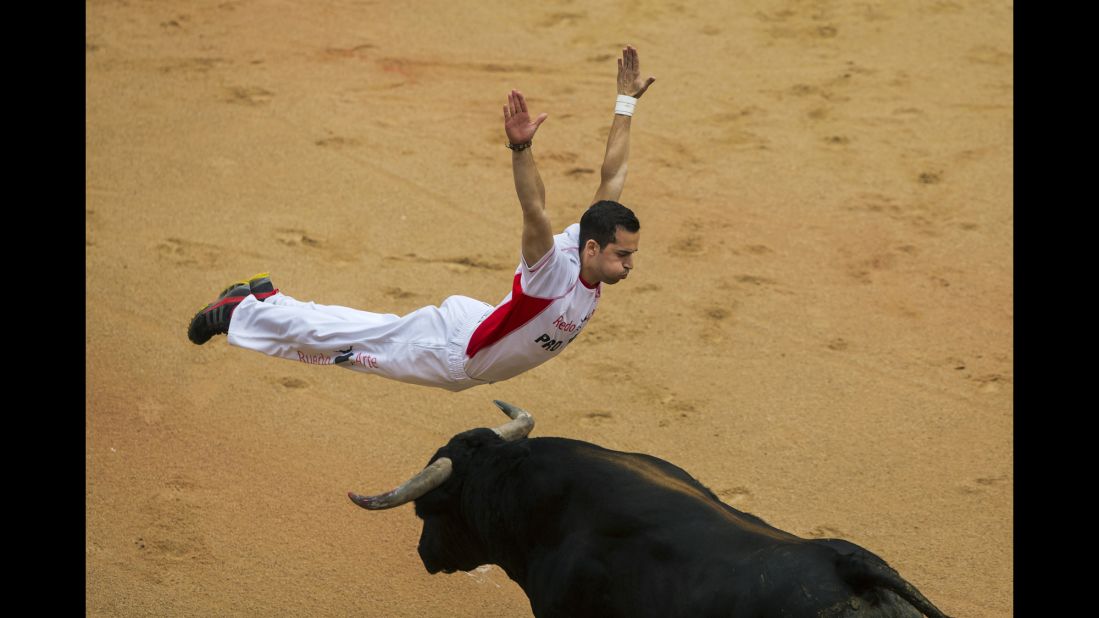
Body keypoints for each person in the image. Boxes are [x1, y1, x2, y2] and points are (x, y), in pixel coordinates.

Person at [188, 46, 656, 392]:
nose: (630, 265)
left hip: (483, 324)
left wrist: (626, 103)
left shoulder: (590, 235)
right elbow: (534, 209)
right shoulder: (552, 271)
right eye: (623, 255)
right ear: (593, 249)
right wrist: (520, 147)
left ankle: (268, 304)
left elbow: (613, 175)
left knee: (361, 330)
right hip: (453, 354)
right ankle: (242, 312)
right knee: (346, 345)